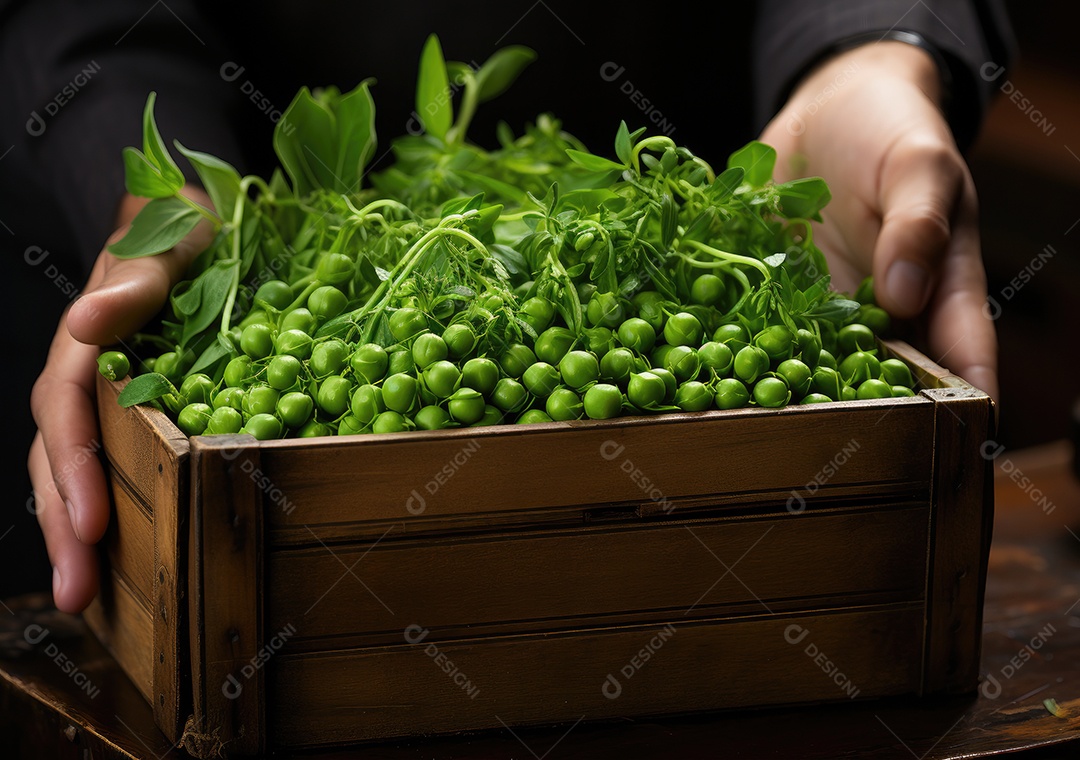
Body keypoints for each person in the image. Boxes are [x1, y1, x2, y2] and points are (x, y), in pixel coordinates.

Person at [10, 1, 1015, 613]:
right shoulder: (328, 326)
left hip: (746, 209)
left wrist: (870, 54)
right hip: (244, 207)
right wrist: (157, 182)